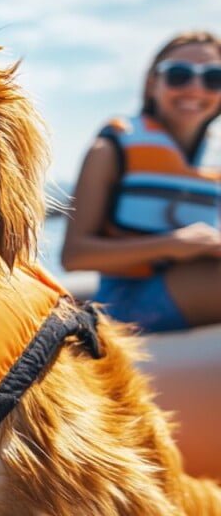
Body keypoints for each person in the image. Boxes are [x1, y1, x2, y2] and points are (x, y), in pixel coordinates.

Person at [61, 31, 221, 332]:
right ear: (152, 83)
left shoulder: (215, 156)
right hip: (125, 302)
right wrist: (175, 245)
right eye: (179, 75)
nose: (195, 88)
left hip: (192, 285)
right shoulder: (109, 149)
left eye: (213, 78)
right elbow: (74, 256)